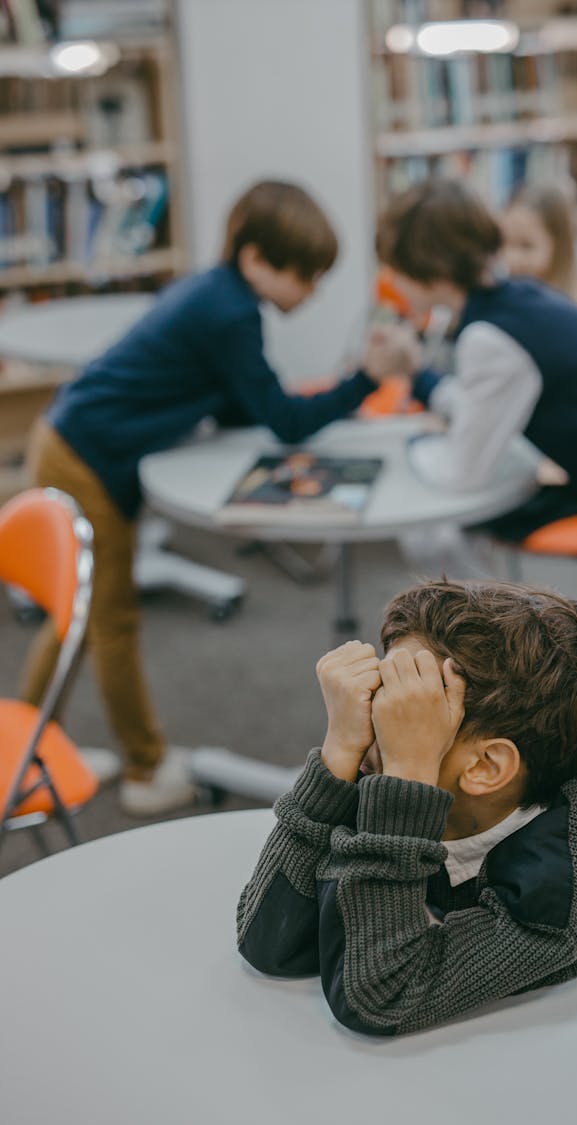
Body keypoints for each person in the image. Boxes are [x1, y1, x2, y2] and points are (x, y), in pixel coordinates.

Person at [236, 579, 577, 1110]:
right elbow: (270, 943)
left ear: (486, 766)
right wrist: (340, 747)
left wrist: (406, 774)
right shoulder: (413, 774)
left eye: (412, 707)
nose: (375, 713)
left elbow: (379, 998)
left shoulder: (572, 874)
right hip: (551, 1008)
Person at [21, 179, 406, 817]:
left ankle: (30, 745)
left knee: (76, 620)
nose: (311, 291)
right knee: (105, 622)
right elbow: (279, 417)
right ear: (257, 259)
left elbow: (238, 400)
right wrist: (367, 378)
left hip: (70, 439)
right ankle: (143, 769)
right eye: (305, 275)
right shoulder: (230, 313)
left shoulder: (217, 295)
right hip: (84, 459)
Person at [371, 177, 577, 792]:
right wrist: (423, 384)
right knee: (483, 533)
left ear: (420, 268)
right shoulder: (513, 303)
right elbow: (484, 412)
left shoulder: (488, 335)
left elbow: (465, 466)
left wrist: (420, 446)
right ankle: (501, 692)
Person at [499, 182, 577, 317]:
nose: (512, 258)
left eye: (526, 246)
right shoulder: (512, 296)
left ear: (560, 245)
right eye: (504, 243)